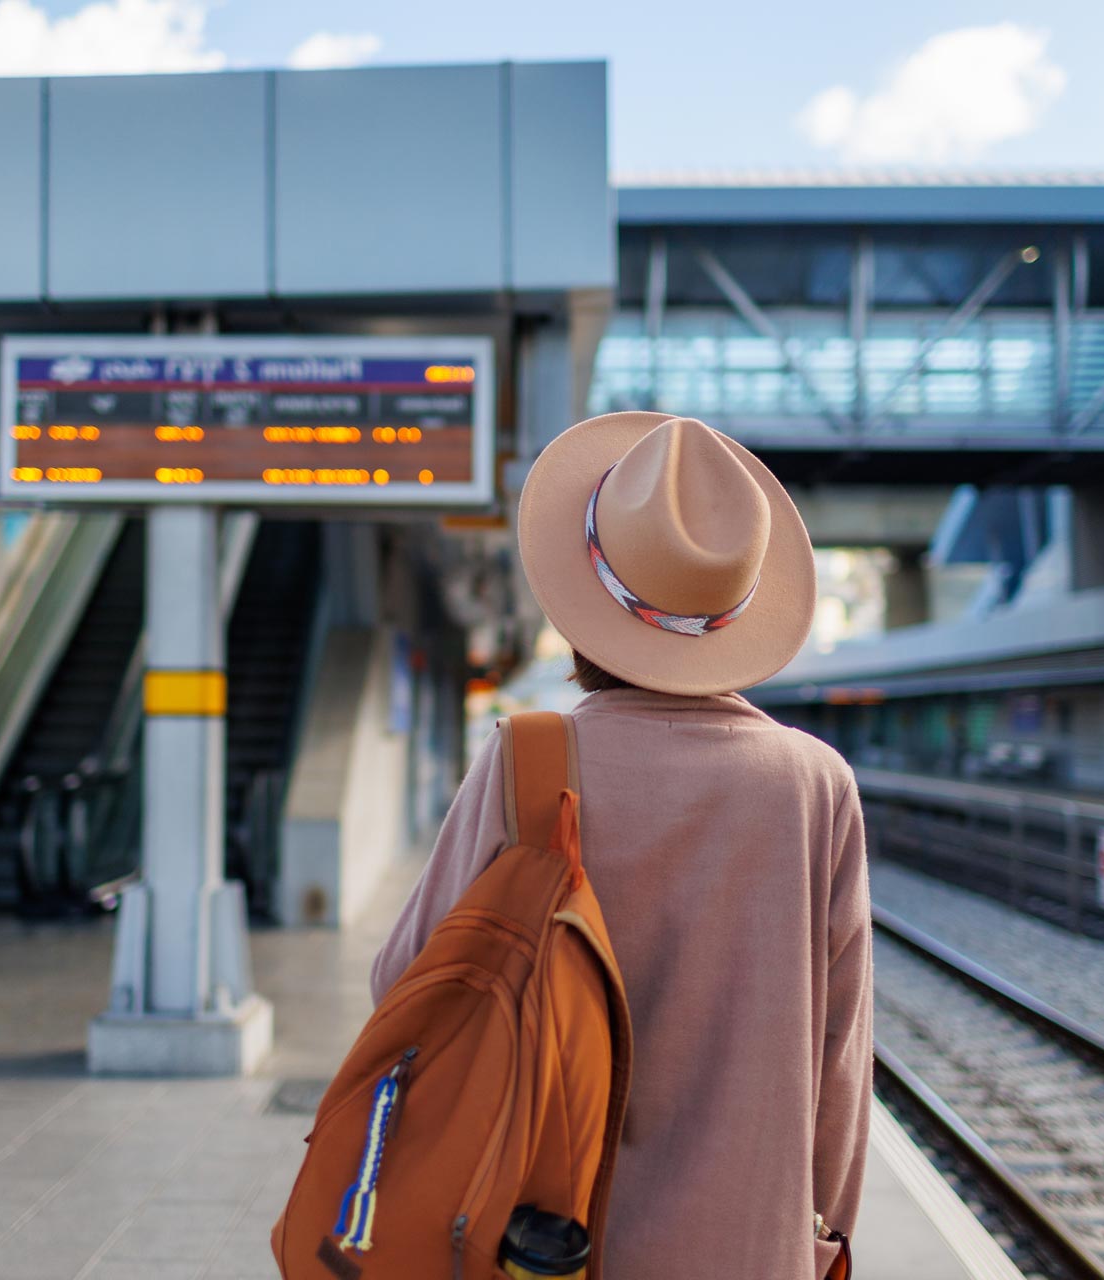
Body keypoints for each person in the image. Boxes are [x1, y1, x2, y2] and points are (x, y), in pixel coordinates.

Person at [372, 412, 872, 1280]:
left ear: (584, 606)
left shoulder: (529, 761)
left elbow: (408, 982)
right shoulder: (814, 784)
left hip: (542, 1239)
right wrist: (817, 1234)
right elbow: (838, 1065)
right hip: (749, 1245)